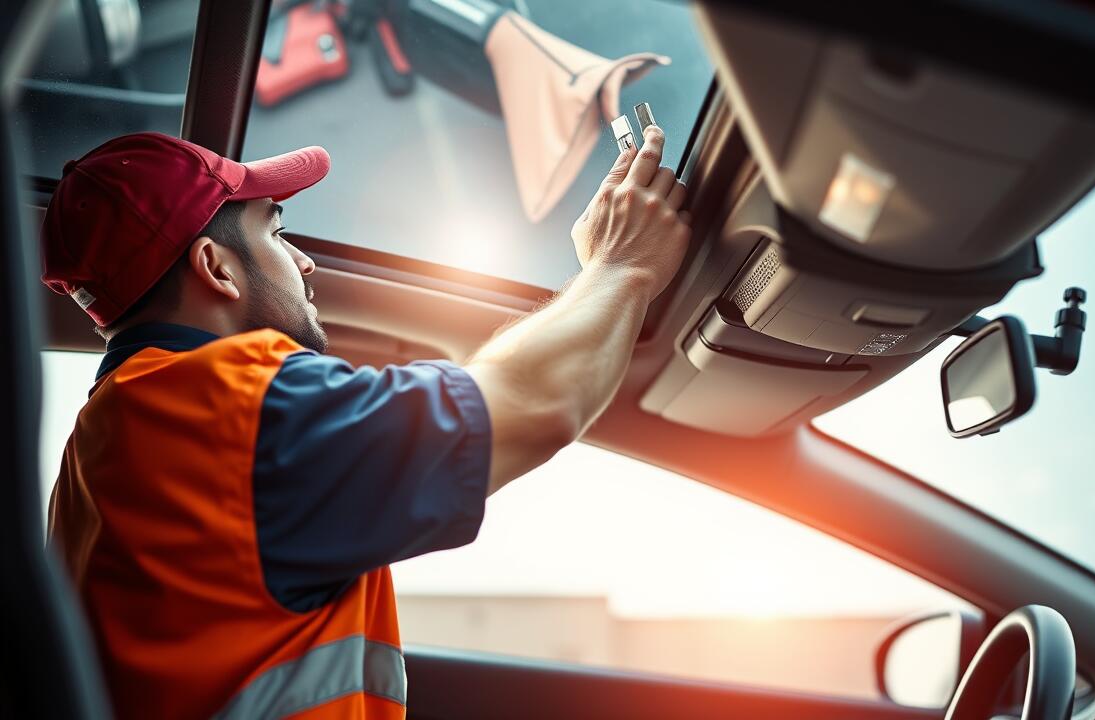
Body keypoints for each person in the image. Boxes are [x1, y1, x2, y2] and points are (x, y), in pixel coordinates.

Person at [41, 124, 688, 719]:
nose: (304, 263)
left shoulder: (102, 446)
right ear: (215, 267)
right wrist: (621, 265)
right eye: (276, 233)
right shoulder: (228, 407)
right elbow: (534, 402)